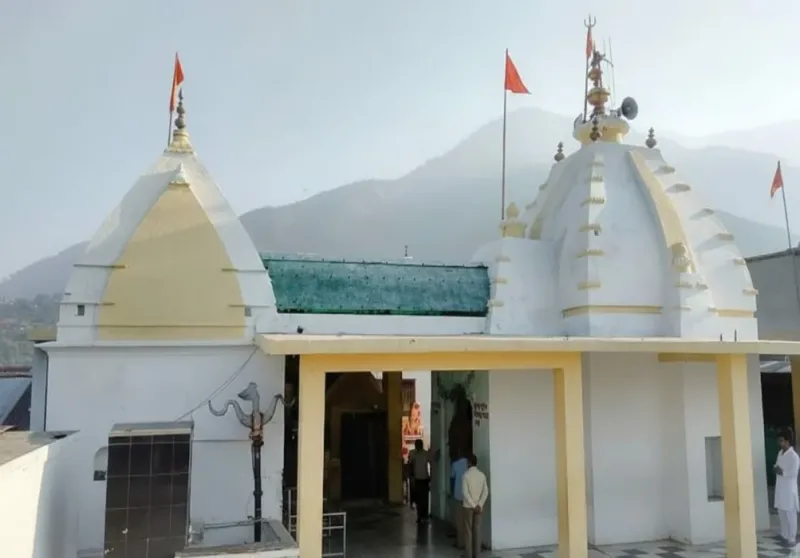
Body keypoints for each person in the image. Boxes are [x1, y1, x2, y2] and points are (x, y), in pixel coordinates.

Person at [775, 429, 800, 545]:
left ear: (788, 441)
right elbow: (778, 466)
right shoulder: (780, 453)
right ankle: (784, 534)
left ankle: (792, 538)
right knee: (781, 512)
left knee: (790, 513)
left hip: (789, 489)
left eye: (782, 441)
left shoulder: (794, 457)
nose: (780, 443)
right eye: (779, 441)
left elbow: (794, 473)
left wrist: (782, 472)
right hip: (780, 487)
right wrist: (776, 469)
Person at [462, 453, 488, 558]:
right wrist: (479, 505)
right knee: (477, 530)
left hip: (468, 507)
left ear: (469, 463)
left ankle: (468, 555)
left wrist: (473, 505)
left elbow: (465, 493)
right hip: (479, 508)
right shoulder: (482, 475)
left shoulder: (466, 475)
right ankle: (477, 554)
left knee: (468, 531)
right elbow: (485, 491)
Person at [410, 439, 434, 522]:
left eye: (417, 444)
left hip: (423, 478)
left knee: (423, 498)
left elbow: (431, 463)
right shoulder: (414, 454)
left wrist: (431, 475)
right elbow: (411, 464)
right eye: (416, 445)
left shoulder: (424, 454)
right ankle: (420, 515)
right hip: (419, 478)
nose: (416, 446)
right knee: (420, 498)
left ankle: (423, 514)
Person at [450, 448, 469, 549]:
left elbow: (452, 478)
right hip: (469, 497)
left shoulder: (455, 464)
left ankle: (460, 542)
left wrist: (451, 492)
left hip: (458, 494)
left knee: (459, 521)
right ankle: (468, 543)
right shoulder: (469, 464)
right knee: (468, 521)